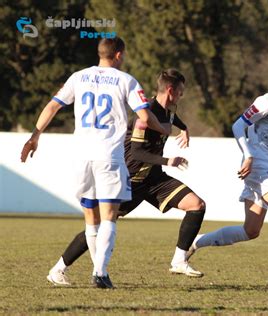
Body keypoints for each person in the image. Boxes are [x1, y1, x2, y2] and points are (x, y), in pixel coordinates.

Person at [21, 37, 169, 289]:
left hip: (81, 156)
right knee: (109, 217)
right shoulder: (126, 80)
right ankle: (100, 273)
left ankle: (99, 272)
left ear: (100, 53)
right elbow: (145, 116)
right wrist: (165, 129)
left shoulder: (78, 77)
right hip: (108, 156)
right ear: (119, 55)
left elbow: (53, 106)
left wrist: (35, 135)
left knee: (91, 219)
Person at [46, 69, 207, 286]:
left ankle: (179, 260)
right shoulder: (145, 115)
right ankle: (58, 269)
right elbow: (138, 153)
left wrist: (184, 128)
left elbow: (172, 118)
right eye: (180, 92)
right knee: (101, 225)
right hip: (131, 180)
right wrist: (168, 160)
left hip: (155, 178)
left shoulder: (169, 109)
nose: (181, 96)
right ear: (170, 91)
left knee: (197, 205)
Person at [186, 57, 268, 290]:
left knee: (250, 230)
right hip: (258, 165)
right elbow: (237, 125)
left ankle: (195, 242)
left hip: (264, 164)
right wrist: (248, 154)